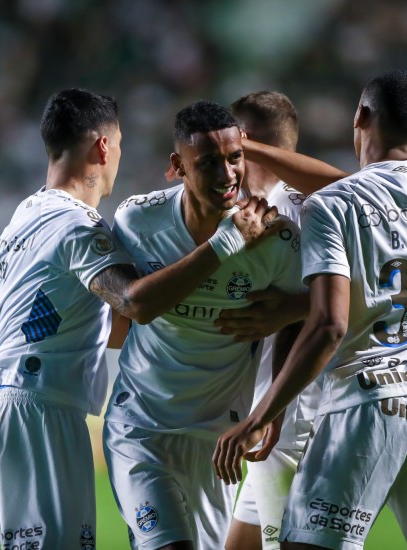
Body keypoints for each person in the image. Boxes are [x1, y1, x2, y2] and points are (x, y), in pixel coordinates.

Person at [0, 89, 280, 550]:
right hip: (37, 411)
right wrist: (226, 242)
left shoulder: (24, 216)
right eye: (121, 144)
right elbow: (134, 302)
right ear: (103, 147)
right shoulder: (75, 225)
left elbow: (107, 324)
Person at [213, 70, 407, 550]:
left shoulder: (329, 208)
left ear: (359, 117)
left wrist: (258, 416)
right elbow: (357, 194)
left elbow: (329, 325)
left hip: (367, 402)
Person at [102, 100, 305, 550]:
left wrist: (273, 409)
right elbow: (135, 306)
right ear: (177, 166)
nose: (227, 174)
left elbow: (297, 317)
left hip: (217, 440)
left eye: (235, 159)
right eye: (208, 162)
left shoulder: (279, 238)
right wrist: (228, 241)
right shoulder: (139, 220)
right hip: (142, 428)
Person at [224, 91, 344, 550]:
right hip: (269, 412)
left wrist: (269, 413)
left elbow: (337, 304)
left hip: (288, 417)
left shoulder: (299, 209)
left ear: (245, 142)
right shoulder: (264, 204)